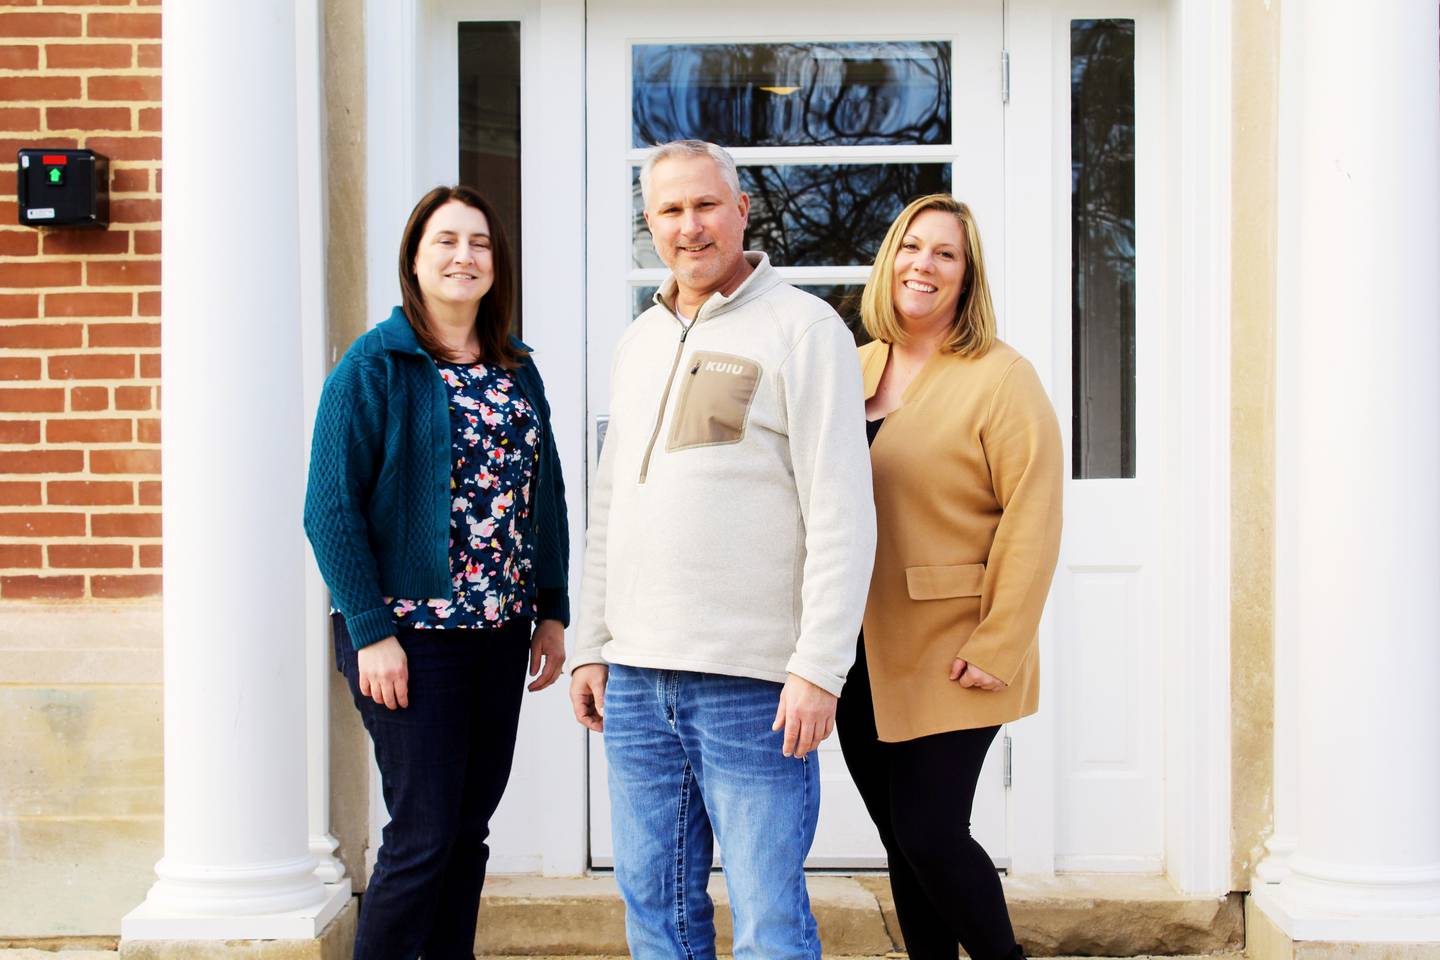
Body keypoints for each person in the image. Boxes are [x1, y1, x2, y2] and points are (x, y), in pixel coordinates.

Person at [568, 139, 876, 960]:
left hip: (751, 685)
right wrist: (592, 644)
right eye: (670, 210)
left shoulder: (804, 330)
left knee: (769, 922)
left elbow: (843, 514)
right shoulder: (639, 340)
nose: (690, 226)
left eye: (706, 205)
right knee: (656, 912)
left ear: (742, 210)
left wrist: (819, 668)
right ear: (649, 223)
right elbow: (611, 506)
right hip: (637, 683)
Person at [304, 185, 570, 960]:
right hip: (408, 640)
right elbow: (329, 511)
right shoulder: (375, 365)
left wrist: (550, 608)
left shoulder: (516, 367)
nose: (464, 256)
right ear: (414, 262)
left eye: (479, 243)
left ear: (497, 263)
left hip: (499, 633)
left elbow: (544, 496)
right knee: (422, 835)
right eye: (445, 241)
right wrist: (371, 632)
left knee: (466, 831)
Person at [836, 194, 1063, 960]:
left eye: (945, 254)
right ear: (888, 261)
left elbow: (1033, 518)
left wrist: (1000, 644)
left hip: (953, 645)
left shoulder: (1002, 377)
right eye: (911, 247)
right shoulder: (852, 366)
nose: (923, 265)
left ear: (967, 276)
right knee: (902, 841)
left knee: (931, 833)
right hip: (855, 651)